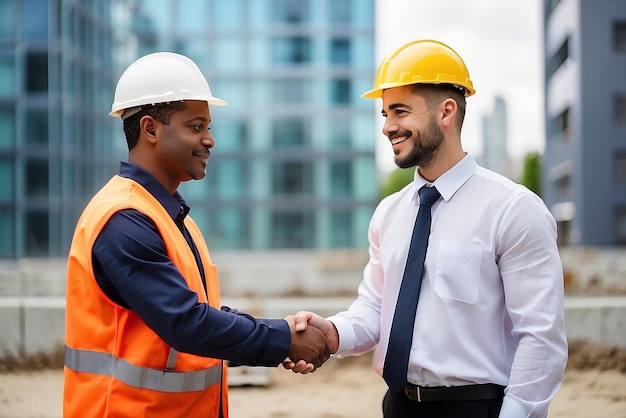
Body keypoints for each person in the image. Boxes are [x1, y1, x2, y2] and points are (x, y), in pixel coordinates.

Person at [286, 39, 568, 418]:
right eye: (384, 114)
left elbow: (540, 338)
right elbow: (375, 308)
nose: (387, 127)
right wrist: (332, 333)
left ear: (446, 112)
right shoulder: (389, 213)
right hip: (399, 406)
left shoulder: (513, 210)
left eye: (399, 111)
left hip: (478, 408)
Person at [63, 52, 329, 418]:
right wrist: (283, 338)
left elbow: (200, 313)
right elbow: (187, 324)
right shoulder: (124, 219)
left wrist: (277, 337)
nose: (210, 140)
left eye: (208, 127)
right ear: (150, 129)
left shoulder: (170, 216)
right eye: (196, 126)